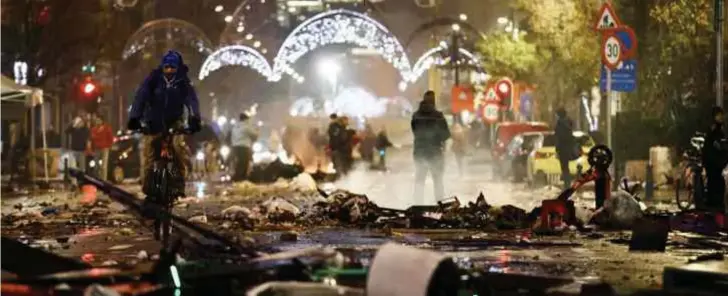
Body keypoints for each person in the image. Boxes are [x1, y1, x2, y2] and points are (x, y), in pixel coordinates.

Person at [127, 50, 201, 198]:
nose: (169, 70)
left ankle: (179, 184)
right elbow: (140, 98)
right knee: (150, 153)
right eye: (166, 67)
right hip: (153, 121)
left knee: (178, 149)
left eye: (172, 67)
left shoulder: (183, 82)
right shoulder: (152, 80)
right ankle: (148, 186)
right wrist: (135, 118)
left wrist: (195, 119)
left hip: (175, 121)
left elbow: (192, 101)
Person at [411, 90, 450, 202]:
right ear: (433, 101)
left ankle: (418, 204)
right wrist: (438, 138)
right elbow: (446, 134)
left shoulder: (415, 116)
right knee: (437, 180)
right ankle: (439, 205)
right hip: (435, 153)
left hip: (419, 152)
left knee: (419, 180)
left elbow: (415, 131)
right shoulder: (438, 116)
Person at [702, 106, 727, 210]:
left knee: (718, 183)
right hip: (712, 162)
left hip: (717, 162)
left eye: (722, 115)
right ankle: (713, 204)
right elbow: (712, 145)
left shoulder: (720, 129)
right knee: (714, 182)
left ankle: (715, 204)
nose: (721, 117)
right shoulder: (713, 129)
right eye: (719, 115)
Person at [230, 113, 258, 181]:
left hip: (235, 146)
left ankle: (238, 176)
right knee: (244, 162)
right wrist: (257, 130)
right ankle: (241, 177)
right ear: (246, 119)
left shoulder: (235, 126)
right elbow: (254, 135)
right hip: (244, 146)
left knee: (239, 162)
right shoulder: (246, 126)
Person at [554, 108, 576, 189]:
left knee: (564, 167)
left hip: (562, 149)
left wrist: (557, 149)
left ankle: (567, 185)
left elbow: (558, 138)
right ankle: (567, 184)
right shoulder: (569, 123)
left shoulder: (560, 124)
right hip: (568, 149)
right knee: (566, 167)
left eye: (556, 114)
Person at [90, 116, 114, 180]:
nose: (97, 121)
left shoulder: (107, 128)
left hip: (105, 148)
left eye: (99, 120)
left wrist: (109, 146)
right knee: (96, 166)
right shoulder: (94, 129)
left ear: (102, 121)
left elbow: (110, 138)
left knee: (104, 166)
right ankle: (97, 179)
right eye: (96, 120)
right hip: (97, 148)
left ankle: (104, 180)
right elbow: (92, 138)